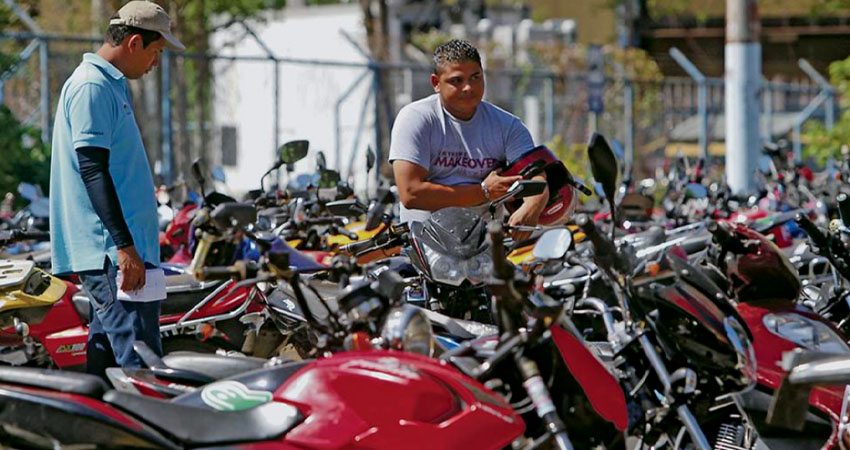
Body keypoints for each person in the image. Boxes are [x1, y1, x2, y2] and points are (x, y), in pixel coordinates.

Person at [49, 0, 185, 378]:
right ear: (134, 43)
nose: (155, 63)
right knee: (141, 367)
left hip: (121, 253)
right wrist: (125, 247)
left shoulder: (109, 84)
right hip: (113, 255)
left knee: (107, 364)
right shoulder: (92, 87)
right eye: (156, 52)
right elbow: (92, 171)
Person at [388, 39, 549, 240]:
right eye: (457, 80)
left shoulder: (508, 126)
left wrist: (532, 206)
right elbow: (411, 193)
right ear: (436, 83)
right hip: (425, 247)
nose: (468, 88)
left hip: (485, 249)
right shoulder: (417, 118)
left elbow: (536, 176)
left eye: (475, 77)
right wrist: (483, 193)